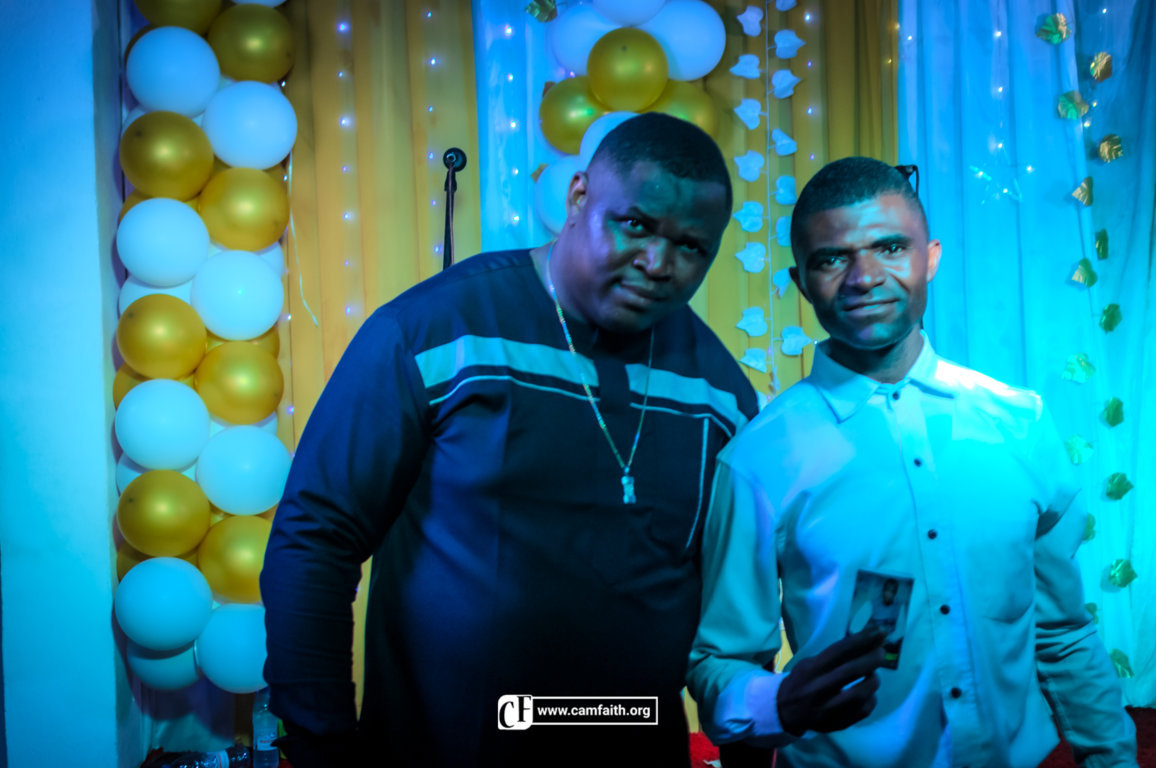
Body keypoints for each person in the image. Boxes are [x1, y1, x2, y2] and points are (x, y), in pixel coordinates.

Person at [260, 113, 759, 768]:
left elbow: (731, 616)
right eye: (635, 224)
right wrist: (319, 740)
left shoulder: (722, 393)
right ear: (578, 196)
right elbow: (317, 535)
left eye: (691, 246)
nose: (658, 263)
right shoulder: (438, 329)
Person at [687, 157, 1137, 767]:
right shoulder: (758, 461)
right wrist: (776, 703)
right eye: (832, 258)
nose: (863, 277)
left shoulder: (1022, 423)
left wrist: (1114, 759)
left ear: (931, 257)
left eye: (891, 247)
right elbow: (721, 662)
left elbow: (1063, 632)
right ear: (801, 282)